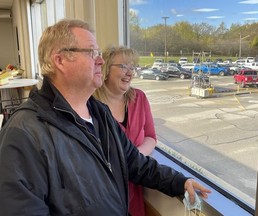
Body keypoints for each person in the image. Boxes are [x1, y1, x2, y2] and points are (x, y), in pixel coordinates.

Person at [0, 18, 211, 215]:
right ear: (60, 60)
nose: (101, 60)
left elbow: (135, 163)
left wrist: (178, 181)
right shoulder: (23, 133)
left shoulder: (100, 113)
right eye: (91, 52)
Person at [94, 46, 157, 216]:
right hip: (105, 192)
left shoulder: (140, 98)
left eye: (132, 67)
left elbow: (151, 137)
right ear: (106, 69)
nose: (130, 73)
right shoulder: (91, 106)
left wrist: (134, 157)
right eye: (123, 67)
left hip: (135, 187)